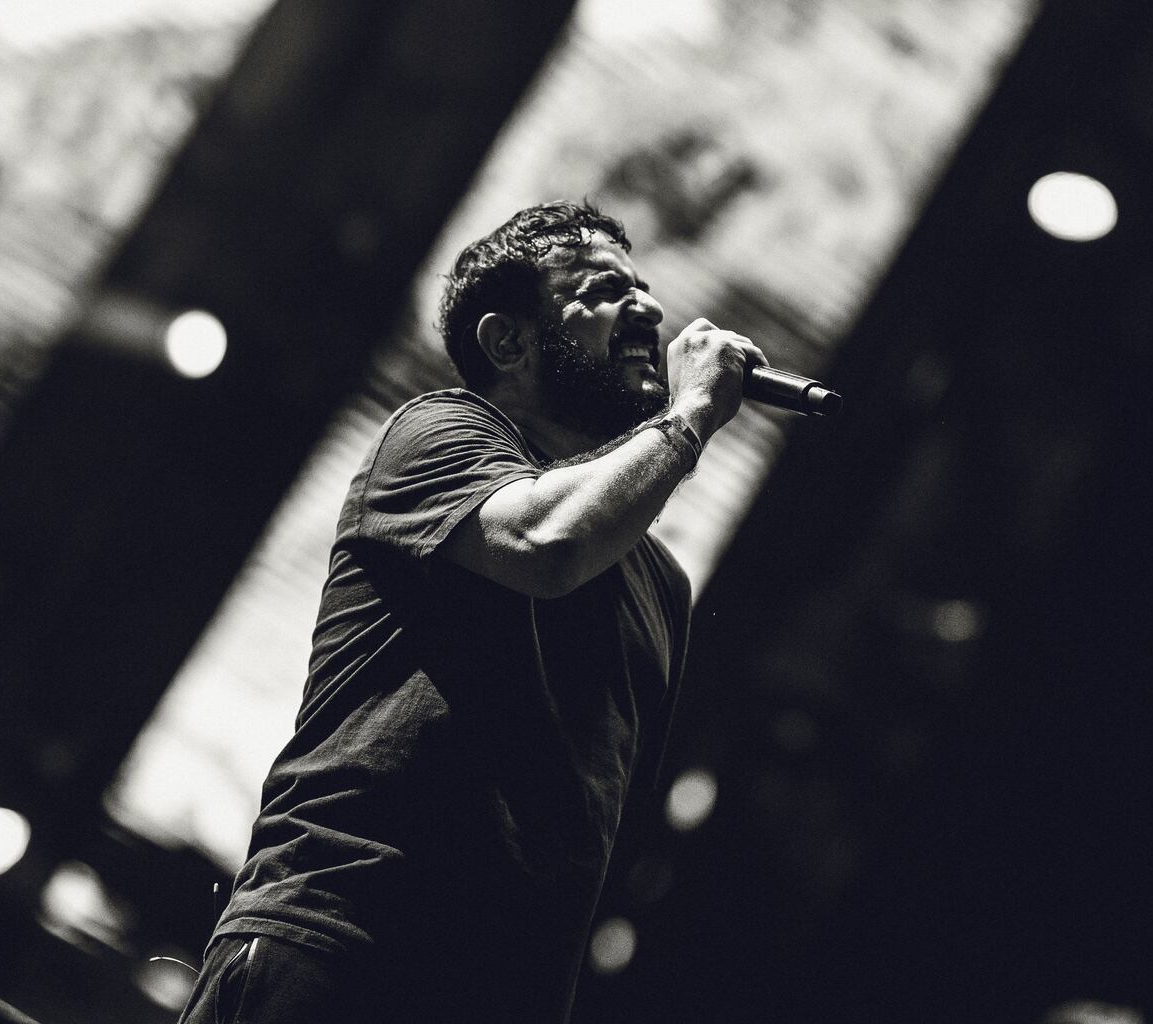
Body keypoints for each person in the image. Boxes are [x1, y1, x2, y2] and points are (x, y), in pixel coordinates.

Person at [177, 200, 766, 1022]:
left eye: (643, 288)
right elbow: (544, 543)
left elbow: (607, 815)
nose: (650, 309)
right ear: (507, 342)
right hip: (344, 942)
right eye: (604, 289)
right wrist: (692, 414)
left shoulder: (661, 584)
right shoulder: (438, 433)